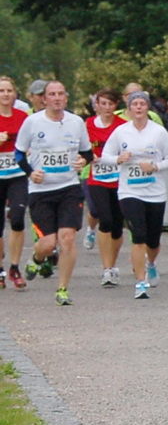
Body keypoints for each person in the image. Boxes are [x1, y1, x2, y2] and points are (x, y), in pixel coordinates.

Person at [17, 80, 93, 305]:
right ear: (44, 99)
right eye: (52, 94)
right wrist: (31, 173)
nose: (57, 98)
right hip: (41, 190)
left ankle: (62, 289)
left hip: (69, 187)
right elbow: (19, 155)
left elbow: (87, 152)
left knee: (67, 239)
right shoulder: (32, 122)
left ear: (66, 98)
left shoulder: (76, 122)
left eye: (61, 94)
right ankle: (36, 258)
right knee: (48, 243)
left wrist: (82, 160)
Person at [103, 91, 168, 299]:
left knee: (153, 240)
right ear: (128, 109)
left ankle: (151, 263)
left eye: (142, 104)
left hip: (155, 192)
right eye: (134, 104)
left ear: (147, 108)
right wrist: (119, 158)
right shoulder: (120, 132)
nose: (138, 107)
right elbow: (105, 156)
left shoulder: (158, 132)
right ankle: (140, 282)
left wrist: (154, 166)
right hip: (129, 191)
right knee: (138, 236)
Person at [84, 89, 128, 281]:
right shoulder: (87, 125)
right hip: (97, 179)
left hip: (119, 180)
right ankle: (106, 268)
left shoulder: (123, 126)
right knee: (106, 220)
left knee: (118, 225)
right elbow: (79, 147)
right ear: (97, 105)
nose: (107, 108)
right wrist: (87, 156)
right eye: (103, 104)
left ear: (116, 105)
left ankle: (113, 263)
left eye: (111, 104)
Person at [0, 78, 28, 288]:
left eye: (9, 90)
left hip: (17, 175)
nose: (6, 94)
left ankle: (15, 267)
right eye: (1, 91)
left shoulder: (23, 118)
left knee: (17, 219)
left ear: (15, 94)